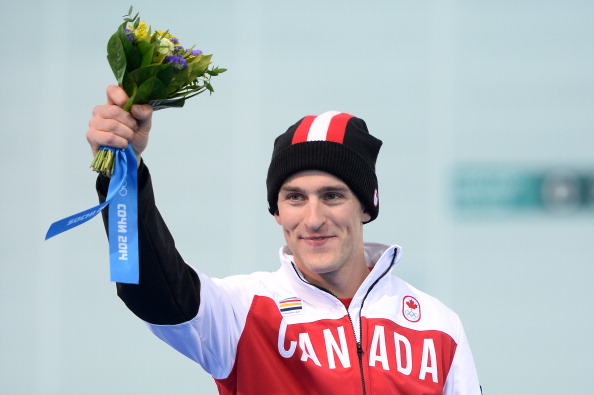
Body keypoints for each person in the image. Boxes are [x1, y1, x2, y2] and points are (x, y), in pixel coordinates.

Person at [87, 85, 482, 394]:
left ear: (366, 207)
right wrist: (122, 172)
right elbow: (155, 290)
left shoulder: (438, 325)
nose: (313, 219)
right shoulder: (243, 312)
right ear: (276, 211)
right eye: (295, 197)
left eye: (332, 196)